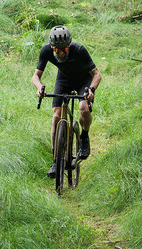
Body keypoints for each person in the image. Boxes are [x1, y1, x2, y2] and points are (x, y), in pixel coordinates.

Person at [31, 25, 101, 178]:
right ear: (52, 47)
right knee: (56, 116)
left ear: (69, 45)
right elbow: (35, 76)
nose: (61, 52)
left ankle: (84, 136)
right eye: (57, 49)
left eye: (65, 49)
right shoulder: (46, 50)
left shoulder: (79, 50)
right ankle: (56, 161)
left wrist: (91, 89)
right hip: (63, 80)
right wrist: (39, 87)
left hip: (84, 81)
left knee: (84, 108)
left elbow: (96, 74)